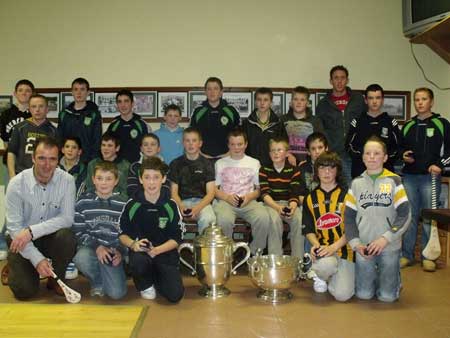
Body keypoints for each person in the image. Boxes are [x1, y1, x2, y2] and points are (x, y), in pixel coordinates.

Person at [5, 136, 76, 299]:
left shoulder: (67, 181)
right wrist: (37, 259)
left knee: (67, 237)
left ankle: (55, 277)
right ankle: (16, 265)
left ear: (58, 160)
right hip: (21, 240)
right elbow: (15, 229)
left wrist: (32, 231)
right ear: (33, 158)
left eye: (52, 159)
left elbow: (67, 218)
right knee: (24, 292)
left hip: (47, 237)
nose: (47, 164)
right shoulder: (16, 184)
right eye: (41, 158)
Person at [345, 137, 411, 302]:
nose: (372, 157)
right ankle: (377, 275)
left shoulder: (394, 181)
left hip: (389, 245)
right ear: (363, 157)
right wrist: (355, 243)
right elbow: (348, 217)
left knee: (387, 297)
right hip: (364, 246)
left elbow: (405, 214)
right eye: (368, 153)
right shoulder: (356, 183)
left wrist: (385, 238)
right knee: (364, 295)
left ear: (385, 157)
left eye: (377, 153)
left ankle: (394, 278)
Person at [119, 157, 184, 303]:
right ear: (140, 180)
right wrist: (133, 245)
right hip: (141, 254)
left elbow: (177, 239)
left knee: (175, 296)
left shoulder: (171, 205)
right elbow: (122, 234)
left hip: (164, 252)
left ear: (164, 179)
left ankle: (158, 276)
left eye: (156, 177)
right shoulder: (132, 204)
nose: (151, 182)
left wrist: (156, 251)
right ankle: (145, 285)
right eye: (147, 177)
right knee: (138, 262)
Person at [400, 87, 450, 272]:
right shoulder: (407, 125)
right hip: (410, 177)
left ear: (431, 101)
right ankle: (407, 255)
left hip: (431, 177)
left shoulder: (442, 124)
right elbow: (399, 149)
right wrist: (403, 155)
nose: (420, 102)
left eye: (424, 99)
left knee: (429, 217)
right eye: (417, 99)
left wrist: (440, 165)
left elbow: (449, 152)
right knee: (410, 217)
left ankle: (429, 257)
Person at [302, 151, 355, 302]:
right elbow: (308, 229)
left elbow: (352, 229)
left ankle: (335, 277)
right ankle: (321, 275)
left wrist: (334, 247)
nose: (327, 172)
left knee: (342, 295)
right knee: (324, 267)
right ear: (316, 171)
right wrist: (316, 245)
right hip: (325, 252)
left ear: (337, 171)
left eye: (331, 168)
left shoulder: (348, 196)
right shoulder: (310, 198)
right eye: (322, 168)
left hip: (346, 250)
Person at [72, 161, 128, 299]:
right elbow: (79, 231)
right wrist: (97, 247)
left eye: (109, 179)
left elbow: (129, 232)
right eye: (99, 178)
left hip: (114, 251)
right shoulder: (83, 202)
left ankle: (115, 273)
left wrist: (120, 251)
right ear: (93, 180)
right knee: (81, 258)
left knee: (116, 294)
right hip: (92, 248)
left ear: (116, 181)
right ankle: (97, 282)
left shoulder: (124, 203)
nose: (104, 183)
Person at [214, 128, 270, 254]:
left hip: (248, 201)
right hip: (226, 201)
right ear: (228, 145)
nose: (236, 147)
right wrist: (227, 198)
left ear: (246, 144)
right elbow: (215, 190)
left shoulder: (254, 163)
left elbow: (258, 189)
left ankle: (255, 252)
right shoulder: (220, 163)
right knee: (224, 220)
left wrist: (249, 197)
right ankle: (226, 253)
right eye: (233, 144)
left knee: (263, 217)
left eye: (240, 144)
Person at [316, 65, 367, 186]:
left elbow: (365, 122)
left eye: (342, 78)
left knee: (359, 187)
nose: (339, 81)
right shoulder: (323, 104)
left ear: (347, 80)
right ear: (331, 81)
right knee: (344, 187)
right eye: (336, 78)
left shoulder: (358, 99)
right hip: (335, 153)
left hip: (357, 153)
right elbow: (320, 129)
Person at [259, 136, 304, 257]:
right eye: (273, 150)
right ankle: (276, 259)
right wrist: (277, 208)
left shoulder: (295, 170)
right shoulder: (264, 169)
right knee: (274, 221)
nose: (276, 153)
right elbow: (264, 194)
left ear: (287, 153)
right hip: (271, 204)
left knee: (299, 220)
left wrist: (292, 208)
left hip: (289, 203)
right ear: (269, 153)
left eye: (279, 150)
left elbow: (294, 193)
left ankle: (298, 262)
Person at [346, 84, 401, 178]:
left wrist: (383, 159)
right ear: (366, 100)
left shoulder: (391, 122)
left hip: (385, 172)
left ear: (382, 100)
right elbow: (348, 145)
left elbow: (398, 146)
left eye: (378, 98)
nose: (374, 101)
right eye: (371, 98)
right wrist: (365, 157)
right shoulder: (357, 122)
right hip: (361, 171)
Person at [169, 127, 216, 234]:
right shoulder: (175, 164)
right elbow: (174, 193)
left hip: (202, 202)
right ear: (183, 143)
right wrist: (181, 206)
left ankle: (202, 249)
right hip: (181, 202)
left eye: (194, 141)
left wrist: (197, 209)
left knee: (209, 219)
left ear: (200, 143)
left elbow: (211, 193)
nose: (191, 144)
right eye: (187, 141)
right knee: (170, 218)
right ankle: (174, 249)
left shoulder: (207, 164)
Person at [190, 77, 240, 160]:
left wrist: (231, 152)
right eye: (209, 89)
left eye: (216, 89)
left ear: (221, 92)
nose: (212, 92)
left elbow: (238, 135)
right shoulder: (198, 111)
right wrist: (199, 152)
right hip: (202, 157)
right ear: (205, 92)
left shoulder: (231, 111)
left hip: (227, 157)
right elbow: (192, 135)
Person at [7, 94, 57, 177]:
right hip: (21, 174)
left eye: (41, 106)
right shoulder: (19, 128)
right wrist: (12, 175)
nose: (37, 110)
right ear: (29, 109)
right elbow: (11, 152)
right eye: (33, 106)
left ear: (47, 109)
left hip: (44, 175)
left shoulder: (54, 131)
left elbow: (55, 157)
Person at [57, 77, 102, 163]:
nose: (79, 92)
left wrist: (92, 161)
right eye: (76, 89)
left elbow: (97, 141)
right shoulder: (64, 114)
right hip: (67, 161)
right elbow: (60, 139)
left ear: (88, 92)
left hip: (87, 161)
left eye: (82, 89)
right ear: (72, 92)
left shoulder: (94, 114)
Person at [242, 87, 287, 166]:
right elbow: (242, 146)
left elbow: (283, 146)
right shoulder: (247, 123)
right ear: (255, 102)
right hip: (250, 166)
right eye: (259, 99)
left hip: (272, 166)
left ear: (271, 102)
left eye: (266, 100)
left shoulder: (278, 124)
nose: (262, 103)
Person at [280, 86, 324, 165]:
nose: (299, 102)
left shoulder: (316, 121)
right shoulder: (282, 120)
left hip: (309, 164)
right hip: (286, 163)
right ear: (291, 102)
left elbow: (321, 145)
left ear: (307, 103)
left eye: (302, 100)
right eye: (296, 99)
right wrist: (287, 154)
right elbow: (277, 143)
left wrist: (308, 160)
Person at [106, 89, 149, 164]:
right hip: (117, 167)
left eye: (126, 101)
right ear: (117, 105)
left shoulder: (142, 124)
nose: (123, 105)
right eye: (120, 102)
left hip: (137, 165)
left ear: (132, 104)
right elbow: (107, 147)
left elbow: (148, 147)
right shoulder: (113, 125)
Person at [84, 133, 130, 198]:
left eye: (110, 145)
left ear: (117, 148)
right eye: (103, 145)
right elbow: (89, 187)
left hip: (118, 200)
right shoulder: (92, 164)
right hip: (95, 200)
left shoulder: (126, 166)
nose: (106, 148)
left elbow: (125, 190)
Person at [0, 79, 34, 153]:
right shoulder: (6, 114)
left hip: (31, 158)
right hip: (11, 156)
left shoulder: (36, 114)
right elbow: (5, 139)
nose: (24, 93)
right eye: (20, 90)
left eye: (27, 91)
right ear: (15, 93)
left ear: (32, 94)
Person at [127, 133, 162, 198]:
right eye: (145, 145)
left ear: (158, 149)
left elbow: (166, 190)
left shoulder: (164, 167)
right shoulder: (134, 167)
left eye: (153, 144)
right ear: (141, 149)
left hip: (160, 202)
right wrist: (147, 199)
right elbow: (131, 189)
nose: (149, 147)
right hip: (138, 201)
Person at [298, 132, 329, 205]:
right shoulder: (302, 169)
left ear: (326, 148)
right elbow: (300, 195)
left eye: (320, 147)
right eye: (313, 149)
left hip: (329, 205)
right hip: (308, 206)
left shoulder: (334, 167)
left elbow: (341, 193)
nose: (317, 152)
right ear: (308, 152)